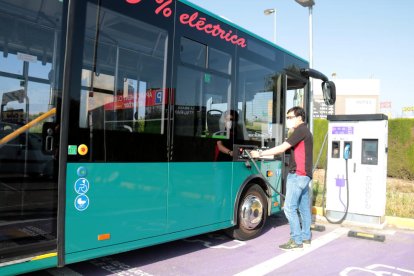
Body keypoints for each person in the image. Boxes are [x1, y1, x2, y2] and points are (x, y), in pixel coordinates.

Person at [250, 106, 313, 251]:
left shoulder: (300, 130)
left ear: (299, 117)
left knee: (289, 208)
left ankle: (296, 241)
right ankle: (305, 237)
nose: (288, 120)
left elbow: (282, 148)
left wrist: (259, 154)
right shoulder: (305, 131)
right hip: (305, 176)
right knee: (303, 209)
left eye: (290, 117)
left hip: (297, 175)